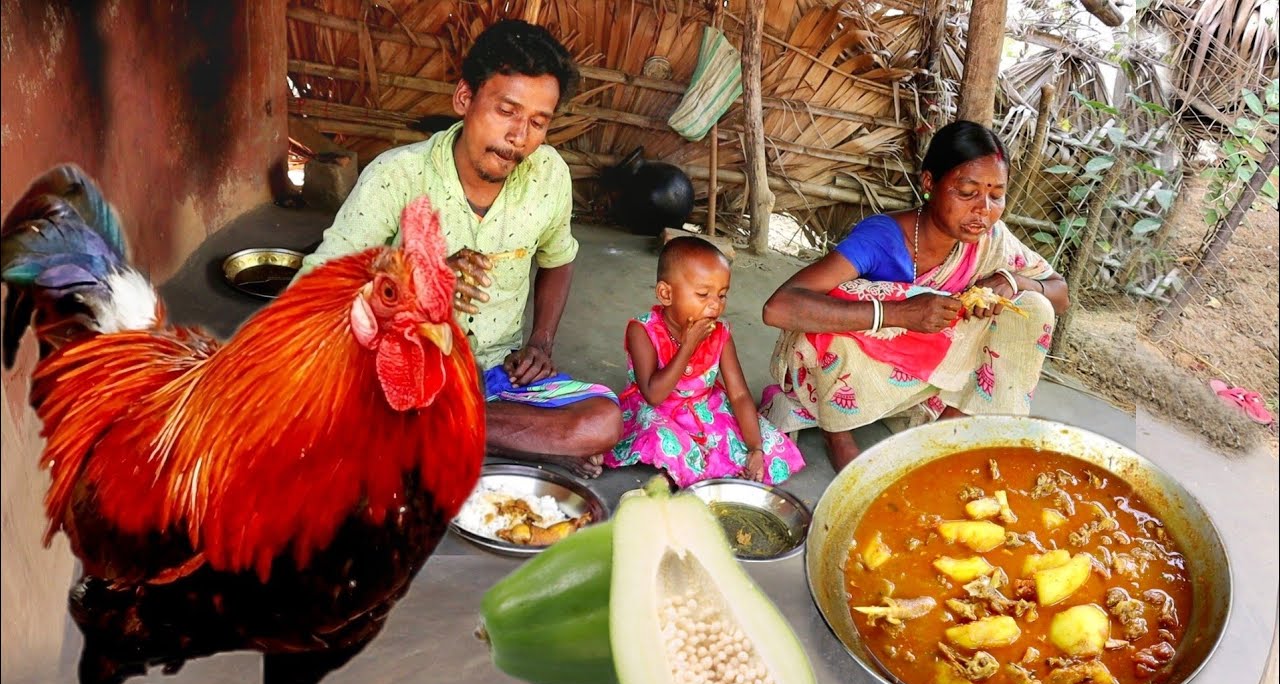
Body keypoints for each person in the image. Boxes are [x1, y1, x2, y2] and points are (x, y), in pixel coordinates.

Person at [295, 19, 622, 478]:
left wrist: (540, 343)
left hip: (496, 376)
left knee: (602, 421)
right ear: (465, 99)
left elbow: (559, 258)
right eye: (506, 111)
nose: (519, 136)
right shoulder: (397, 175)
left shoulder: (549, 176)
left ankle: (434, 429)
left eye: (537, 122)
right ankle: (510, 441)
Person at [760, 120, 1070, 471]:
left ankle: (944, 432)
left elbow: (1059, 294)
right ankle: (838, 433)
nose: (983, 209)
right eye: (967, 192)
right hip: (858, 366)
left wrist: (1012, 280)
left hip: (927, 365)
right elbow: (779, 308)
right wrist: (898, 313)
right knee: (842, 301)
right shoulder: (882, 238)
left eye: (996, 195)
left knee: (1032, 307)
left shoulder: (992, 240)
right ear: (929, 183)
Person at [604, 237, 805, 487]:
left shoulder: (720, 333)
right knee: (662, 439)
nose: (715, 305)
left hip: (705, 409)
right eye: (702, 294)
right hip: (656, 411)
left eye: (722, 295)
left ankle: (695, 469)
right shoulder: (643, 330)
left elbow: (739, 395)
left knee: (768, 442)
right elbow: (653, 395)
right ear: (666, 294)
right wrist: (688, 346)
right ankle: (686, 469)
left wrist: (755, 448)